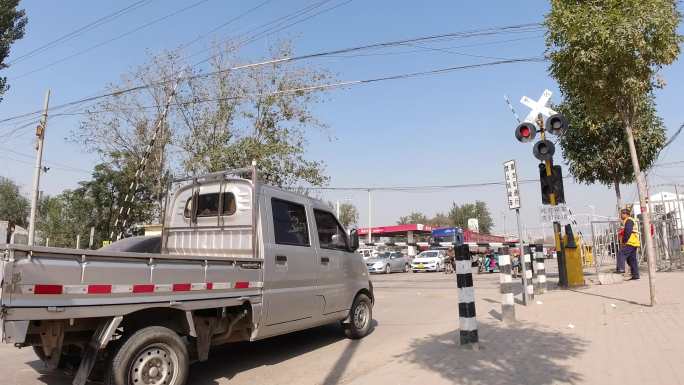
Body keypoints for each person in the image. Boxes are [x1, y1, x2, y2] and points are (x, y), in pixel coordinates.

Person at [617, 208, 640, 280]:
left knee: (621, 253)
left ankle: (621, 269)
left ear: (626, 214)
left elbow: (628, 232)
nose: (620, 215)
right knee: (632, 260)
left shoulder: (629, 220)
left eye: (621, 214)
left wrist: (624, 241)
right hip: (634, 242)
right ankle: (635, 275)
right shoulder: (629, 220)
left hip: (630, 242)